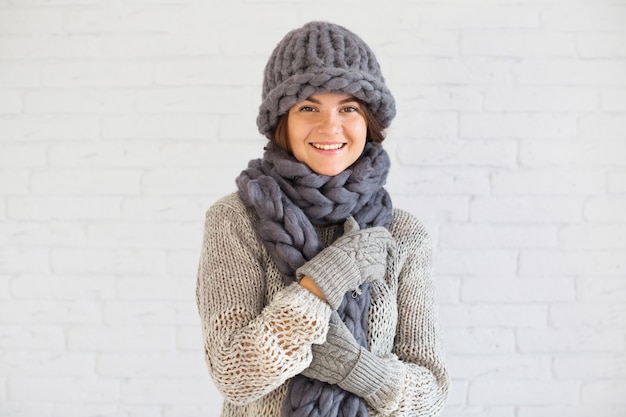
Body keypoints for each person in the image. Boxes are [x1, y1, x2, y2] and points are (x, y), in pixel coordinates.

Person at [196, 21, 449, 417]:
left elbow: (431, 394)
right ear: (282, 121)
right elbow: (234, 374)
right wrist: (324, 282)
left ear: (370, 121)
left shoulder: (402, 233)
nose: (330, 126)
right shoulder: (235, 220)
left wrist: (358, 370)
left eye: (348, 108)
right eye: (308, 107)